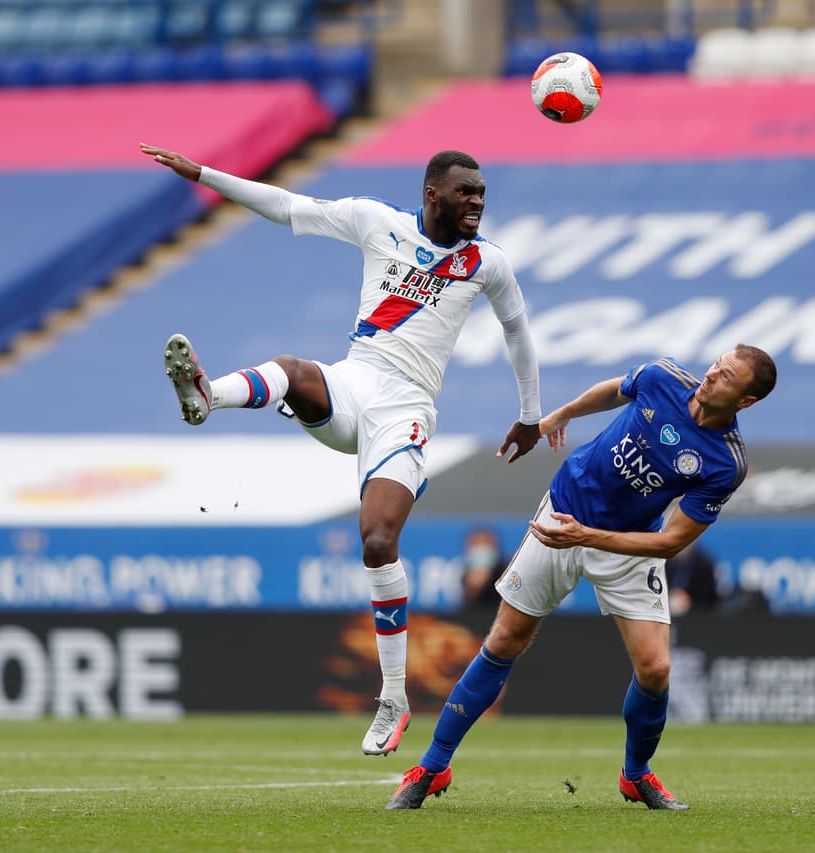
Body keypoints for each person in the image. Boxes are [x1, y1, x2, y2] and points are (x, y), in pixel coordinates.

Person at [140, 143, 543, 756]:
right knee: (293, 368)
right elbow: (286, 206)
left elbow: (517, 330)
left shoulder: (486, 263)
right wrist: (204, 175)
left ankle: (393, 698)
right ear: (433, 193)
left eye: (483, 194)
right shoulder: (375, 221)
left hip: (406, 410)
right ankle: (206, 396)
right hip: (354, 383)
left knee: (378, 540)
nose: (478, 203)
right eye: (468, 192)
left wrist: (531, 416)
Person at [385, 344, 777, 810]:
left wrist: (588, 537)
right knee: (505, 640)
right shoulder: (664, 377)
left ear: (745, 401)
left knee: (656, 668)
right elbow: (615, 390)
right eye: (717, 364)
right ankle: (431, 766)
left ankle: (636, 775)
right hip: (562, 514)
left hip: (625, 544)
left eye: (727, 377)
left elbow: (671, 543)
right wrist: (560, 415)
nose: (712, 376)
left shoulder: (725, 463)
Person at [460, 527, 508, 608]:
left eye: (485, 543)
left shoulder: (507, 570)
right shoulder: (464, 573)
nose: (481, 548)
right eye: (476, 543)